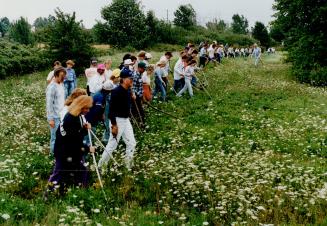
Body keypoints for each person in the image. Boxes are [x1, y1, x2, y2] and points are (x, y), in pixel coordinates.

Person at [46, 95, 95, 197]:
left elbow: (76, 136)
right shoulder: (71, 120)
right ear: (81, 106)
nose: (88, 110)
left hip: (67, 150)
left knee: (80, 172)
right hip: (64, 152)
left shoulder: (72, 116)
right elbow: (74, 142)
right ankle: (47, 196)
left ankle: (80, 194)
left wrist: (85, 129)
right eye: (87, 108)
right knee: (59, 174)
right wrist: (87, 149)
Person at [98, 69, 136, 170]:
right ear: (123, 79)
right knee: (112, 145)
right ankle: (101, 166)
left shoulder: (128, 90)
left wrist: (132, 97)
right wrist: (114, 125)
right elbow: (111, 111)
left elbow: (126, 105)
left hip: (126, 120)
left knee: (132, 143)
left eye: (132, 78)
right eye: (130, 78)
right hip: (118, 121)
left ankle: (128, 165)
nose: (132, 80)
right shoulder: (116, 92)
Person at [46, 67, 67, 155]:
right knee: (55, 136)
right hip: (54, 117)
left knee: (62, 135)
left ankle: (59, 152)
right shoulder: (52, 87)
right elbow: (49, 104)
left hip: (62, 114)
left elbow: (63, 98)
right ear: (55, 75)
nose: (63, 78)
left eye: (64, 76)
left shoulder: (61, 84)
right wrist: (50, 119)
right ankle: (53, 154)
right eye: (61, 76)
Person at [102, 69, 121, 143]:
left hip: (112, 104)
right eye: (118, 77)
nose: (119, 79)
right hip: (108, 104)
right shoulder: (109, 83)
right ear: (115, 77)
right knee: (108, 121)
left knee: (112, 121)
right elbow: (105, 95)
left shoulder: (115, 83)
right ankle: (106, 139)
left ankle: (110, 137)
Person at [131, 62, 146, 126]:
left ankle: (135, 121)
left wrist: (142, 95)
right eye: (143, 69)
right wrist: (134, 95)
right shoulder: (135, 75)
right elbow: (133, 87)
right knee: (140, 110)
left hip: (139, 95)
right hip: (135, 96)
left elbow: (139, 86)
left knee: (135, 110)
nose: (144, 70)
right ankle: (142, 122)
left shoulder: (140, 74)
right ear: (139, 68)